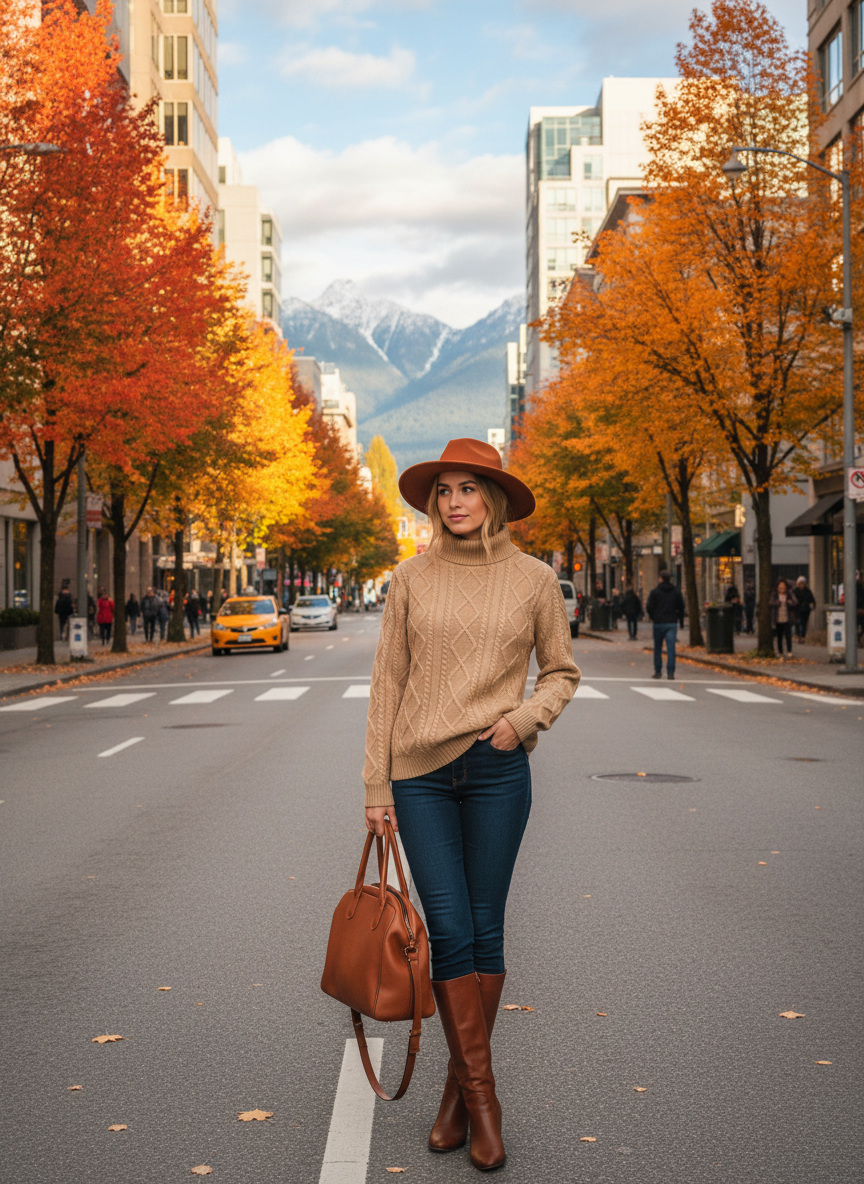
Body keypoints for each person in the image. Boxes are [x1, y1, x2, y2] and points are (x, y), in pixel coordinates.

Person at [363, 438, 579, 1171]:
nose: (455, 501)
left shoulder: (535, 579)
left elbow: (561, 672)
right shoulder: (410, 578)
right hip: (420, 774)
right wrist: (376, 786)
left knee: (487, 930)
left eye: (469, 488)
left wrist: (524, 721)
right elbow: (388, 685)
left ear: (494, 499)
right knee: (450, 930)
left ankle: (458, 1097)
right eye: (445, 490)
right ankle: (483, 1102)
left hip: (496, 771)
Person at [646, 570, 685, 680]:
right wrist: (680, 621)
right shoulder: (676, 592)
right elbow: (681, 607)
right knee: (671, 648)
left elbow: (649, 607)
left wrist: (653, 617)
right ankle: (670, 672)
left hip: (658, 623)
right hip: (671, 622)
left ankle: (658, 671)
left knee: (658, 648)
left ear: (660, 579)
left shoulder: (655, 592)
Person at [769, 579, 797, 658]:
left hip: (787, 618)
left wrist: (789, 602)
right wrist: (777, 602)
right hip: (778, 618)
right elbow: (770, 603)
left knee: (788, 635)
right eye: (780, 587)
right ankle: (780, 651)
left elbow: (795, 602)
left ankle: (789, 651)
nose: (782, 589)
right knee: (779, 636)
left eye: (783, 587)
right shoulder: (775, 595)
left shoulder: (789, 594)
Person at [794, 576, 815, 641]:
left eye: (803, 583)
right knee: (798, 622)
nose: (801, 585)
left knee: (804, 623)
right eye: (800, 583)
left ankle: (803, 636)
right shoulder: (795, 591)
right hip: (797, 609)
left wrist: (812, 605)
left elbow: (812, 599)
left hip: (805, 610)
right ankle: (798, 635)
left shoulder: (807, 591)